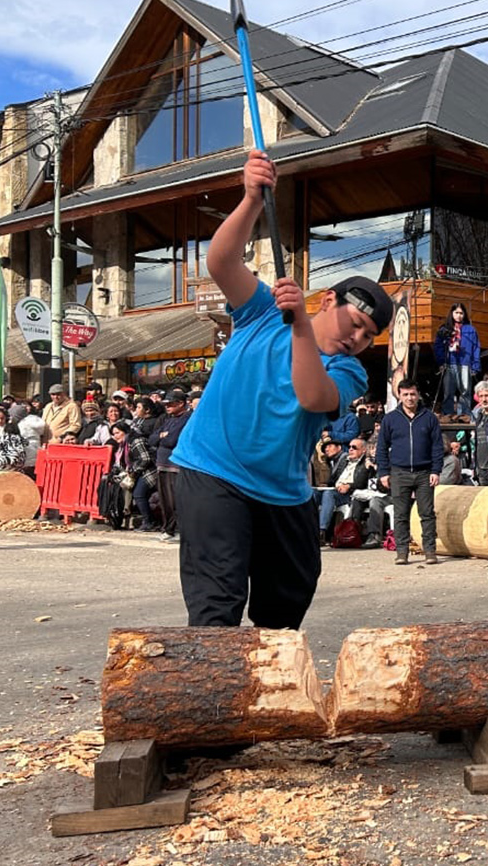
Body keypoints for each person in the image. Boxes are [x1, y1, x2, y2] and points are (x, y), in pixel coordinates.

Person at [171, 149, 388, 629]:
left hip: (283, 493)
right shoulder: (263, 310)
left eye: (369, 335)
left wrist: (303, 328)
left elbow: (312, 396)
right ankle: (216, 696)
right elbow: (222, 261)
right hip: (214, 470)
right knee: (217, 599)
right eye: (355, 323)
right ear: (329, 300)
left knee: (288, 598)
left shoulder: (349, 372)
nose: (358, 338)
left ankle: (272, 689)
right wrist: (250, 200)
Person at [376, 379, 443, 565]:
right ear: (399, 395)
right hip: (399, 472)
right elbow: (381, 447)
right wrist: (383, 472)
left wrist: (436, 470)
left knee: (427, 514)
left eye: (412, 394)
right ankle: (402, 552)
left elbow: (437, 447)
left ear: (418, 394)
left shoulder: (429, 418)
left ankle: (430, 551)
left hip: (424, 472)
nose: (409, 398)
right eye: (405, 394)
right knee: (400, 515)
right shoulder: (390, 419)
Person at [154, 389, 192, 543]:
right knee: (165, 501)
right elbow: (152, 438)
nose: (167, 406)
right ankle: (167, 529)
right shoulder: (168, 419)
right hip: (162, 464)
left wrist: (163, 437)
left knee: (176, 500)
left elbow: (171, 440)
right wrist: (161, 436)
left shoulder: (187, 418)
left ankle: (179, 530)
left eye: (171, 403)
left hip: (175, 465)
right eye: (166, 404)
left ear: (181, 403)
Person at [433, 303, 481, 418]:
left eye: (461, 313)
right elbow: (438, 346)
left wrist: (475, 364)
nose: (459, 316)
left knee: (465, 391)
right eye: (456, 313)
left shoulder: (470, 329)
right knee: (448, 392)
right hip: (449, 363)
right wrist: (441, 361)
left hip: (465, 362)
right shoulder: (444, 328)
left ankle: (464, 415)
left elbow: (476, 347)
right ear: (452, 313)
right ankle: (448, 415)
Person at [0, 406, 25, 471]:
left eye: (2, 418)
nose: (0, 421)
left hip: (8, 467)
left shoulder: (11, 431)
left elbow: (18, 451)